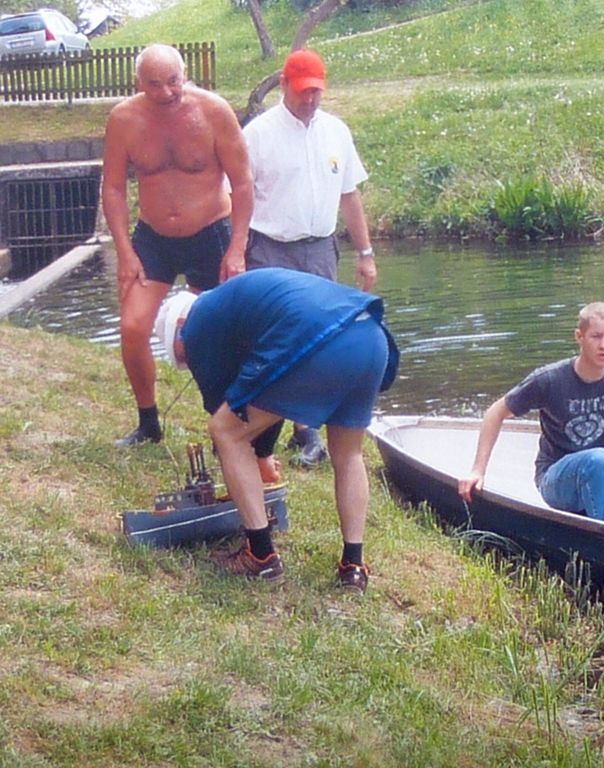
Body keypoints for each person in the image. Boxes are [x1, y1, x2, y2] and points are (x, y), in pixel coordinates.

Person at [154, 268, 399, 590]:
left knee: (225, 431)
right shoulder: (234, 304)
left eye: (182, 354)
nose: (189, 361)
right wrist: (263, 455)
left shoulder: (198, 321)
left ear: (180, 325)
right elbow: (265, 394)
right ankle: (353, 566)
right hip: (369, 336)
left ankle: (260, 556)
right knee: (348, 453)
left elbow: (230, 412)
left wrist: (259, 457)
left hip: (316, 338)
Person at [102, 43, 254, 448]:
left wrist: (237, 248)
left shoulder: (213, 111)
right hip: (153, 237)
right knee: (133, 326)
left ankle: (232, 424)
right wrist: (125, 252)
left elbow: (242, 182)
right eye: (155, 84)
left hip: (210, 233)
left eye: (173, 81)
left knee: (218, 334)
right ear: (138, 82)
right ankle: (148, 422)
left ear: (184, 75)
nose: (166, 92)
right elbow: (113, 188)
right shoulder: (123, 119)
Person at [243, 48, 377, 469]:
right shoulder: (258, 134)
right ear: (284, 85)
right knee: (276, 338)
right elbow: (238, 198)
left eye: (316, 91)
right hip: (270, 246)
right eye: (303, 91)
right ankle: (266, 430)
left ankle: (306, 428)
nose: (310, 99)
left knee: (319, 337)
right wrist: (234, 252)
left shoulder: (336, 131)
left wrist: (366, 253)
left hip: (320, 248)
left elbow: (350, 195)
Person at [458, 302, 604, 535]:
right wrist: (478, 470)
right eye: (596, 336)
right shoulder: (550, 379)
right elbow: (496, 412)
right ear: (579, 336)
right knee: (600, 459)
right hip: (557, 481)